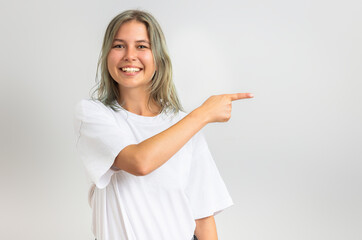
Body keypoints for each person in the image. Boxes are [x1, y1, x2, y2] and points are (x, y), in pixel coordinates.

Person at [73, 9, 253, 240]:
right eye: (119, 46)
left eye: (141, 46)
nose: (129, 55)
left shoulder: (183, 124)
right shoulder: (93, 114)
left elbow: (203, 217)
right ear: (107, 55)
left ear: (158, 58)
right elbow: (139, 162)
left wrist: (195, 119)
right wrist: (204, 114)